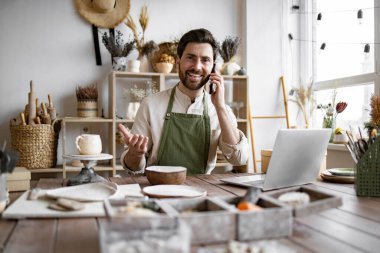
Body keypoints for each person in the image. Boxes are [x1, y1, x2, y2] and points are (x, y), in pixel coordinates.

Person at [118, 28, 249, 175]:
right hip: (158, 190)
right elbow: (133, 167)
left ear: (213, 67)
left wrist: (220, 107)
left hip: (201, 192)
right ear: (178, 61)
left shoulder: (219, 110)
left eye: (205, 60)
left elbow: (239, 159)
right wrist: (135, 154)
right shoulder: (150, 104)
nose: (197, 67)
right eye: (191, 58)